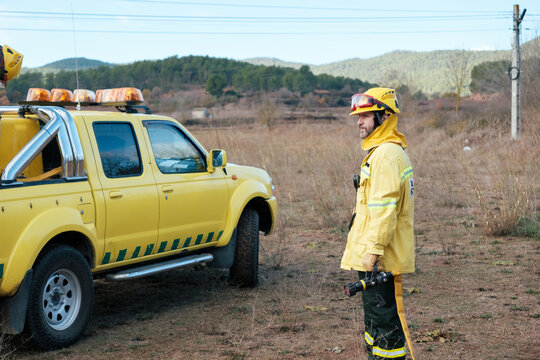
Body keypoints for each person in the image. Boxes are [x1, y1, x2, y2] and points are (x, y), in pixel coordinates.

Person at [341, 87, 415, 360]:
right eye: (357, 116)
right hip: (374, 255)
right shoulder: (383, 152)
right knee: (375, 316)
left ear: (384, 117)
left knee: (385, 322)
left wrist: (373, 251)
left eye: (365, 116)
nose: (358, 122)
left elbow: (385, 210)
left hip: (380, 257)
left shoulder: (386, 155)